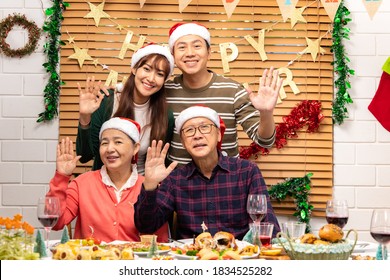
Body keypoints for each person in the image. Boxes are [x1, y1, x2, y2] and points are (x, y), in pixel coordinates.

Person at [134, 106, 280, 240]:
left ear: (218, 135)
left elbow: (267, 226)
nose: (197, 135)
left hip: (237, 257)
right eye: (189, 130)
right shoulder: (175, 179)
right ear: (184, 143)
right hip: (192, 260)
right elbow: (146, 226)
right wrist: (150, 185)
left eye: (204, 127)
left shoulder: (246, 171)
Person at [165, 22, 283, 165]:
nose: (190, 53)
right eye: (182, 47)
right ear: (173, 55)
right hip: (178, 182)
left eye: (197, 46)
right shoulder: (164, 91)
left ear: (209, 52)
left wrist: (266, 113)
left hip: (225, 182)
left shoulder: (232, 90)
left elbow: (265, 141)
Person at [48, 117, 170, 243]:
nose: (110, 149)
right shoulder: (82, 183)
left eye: (118, 142)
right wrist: (61, 177)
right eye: (104, 143)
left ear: (135, 148)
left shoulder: (150, 187)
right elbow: (55, 223)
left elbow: (160, 242)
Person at [76, 44, 175, 175]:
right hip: (104, 185)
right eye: (146, 69)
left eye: (160, 74)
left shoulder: (165, 115)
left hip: (142, 187)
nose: (151, 78)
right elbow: (84, 156)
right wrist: (85, 117)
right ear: (134, 69)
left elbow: (160, 162)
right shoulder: (108, 101)